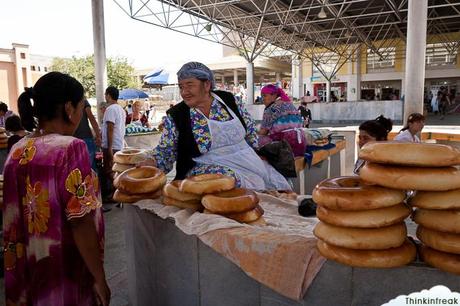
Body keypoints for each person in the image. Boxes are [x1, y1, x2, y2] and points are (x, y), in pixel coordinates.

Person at [3, 72, 110, 305]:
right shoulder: (71, 148)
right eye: (81, 107)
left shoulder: (18, 149)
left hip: (29, 272)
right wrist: (99, 276)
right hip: (64, 272)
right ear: (69, 108)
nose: (81, 114)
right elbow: (80, 221)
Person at [149, 62, 291, 190]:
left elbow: (250, 131)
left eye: (190, 85)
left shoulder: (230, 100)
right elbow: (166, 152)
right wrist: (151, 162)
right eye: (181, 87)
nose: (184, 92)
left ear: (207, 85)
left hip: (247, 160)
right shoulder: (177, 115)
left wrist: (257, 151)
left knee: (278, 184)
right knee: (238, 184)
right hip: (207, 169)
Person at [258, 84, 307, 157]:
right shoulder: (290, 105)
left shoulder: (271, 108)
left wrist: (254, 132)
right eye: (262, 96)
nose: (263, 99)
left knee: (256, 140)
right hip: (300, 145)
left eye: (265, 96)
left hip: (284, 147)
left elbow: (263, 132)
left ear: (274, 95)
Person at [101, 86, 126, 201]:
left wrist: (110, 147)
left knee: (109, 170)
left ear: (109, 95)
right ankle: (117, 192)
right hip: (118, 144)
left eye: (106, 95)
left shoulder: (110, 109)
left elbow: (110, 128)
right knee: (113, 169)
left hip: (112, 145)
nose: (105, 97)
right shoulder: (121, 109)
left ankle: (120, 191)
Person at [74, 99, 102, 170]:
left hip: (72, 139)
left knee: (77, 169)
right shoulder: (83, 101)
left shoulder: (65, 102)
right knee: (90, 167)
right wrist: (98, 136)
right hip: (86, 138)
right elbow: (91, 117)